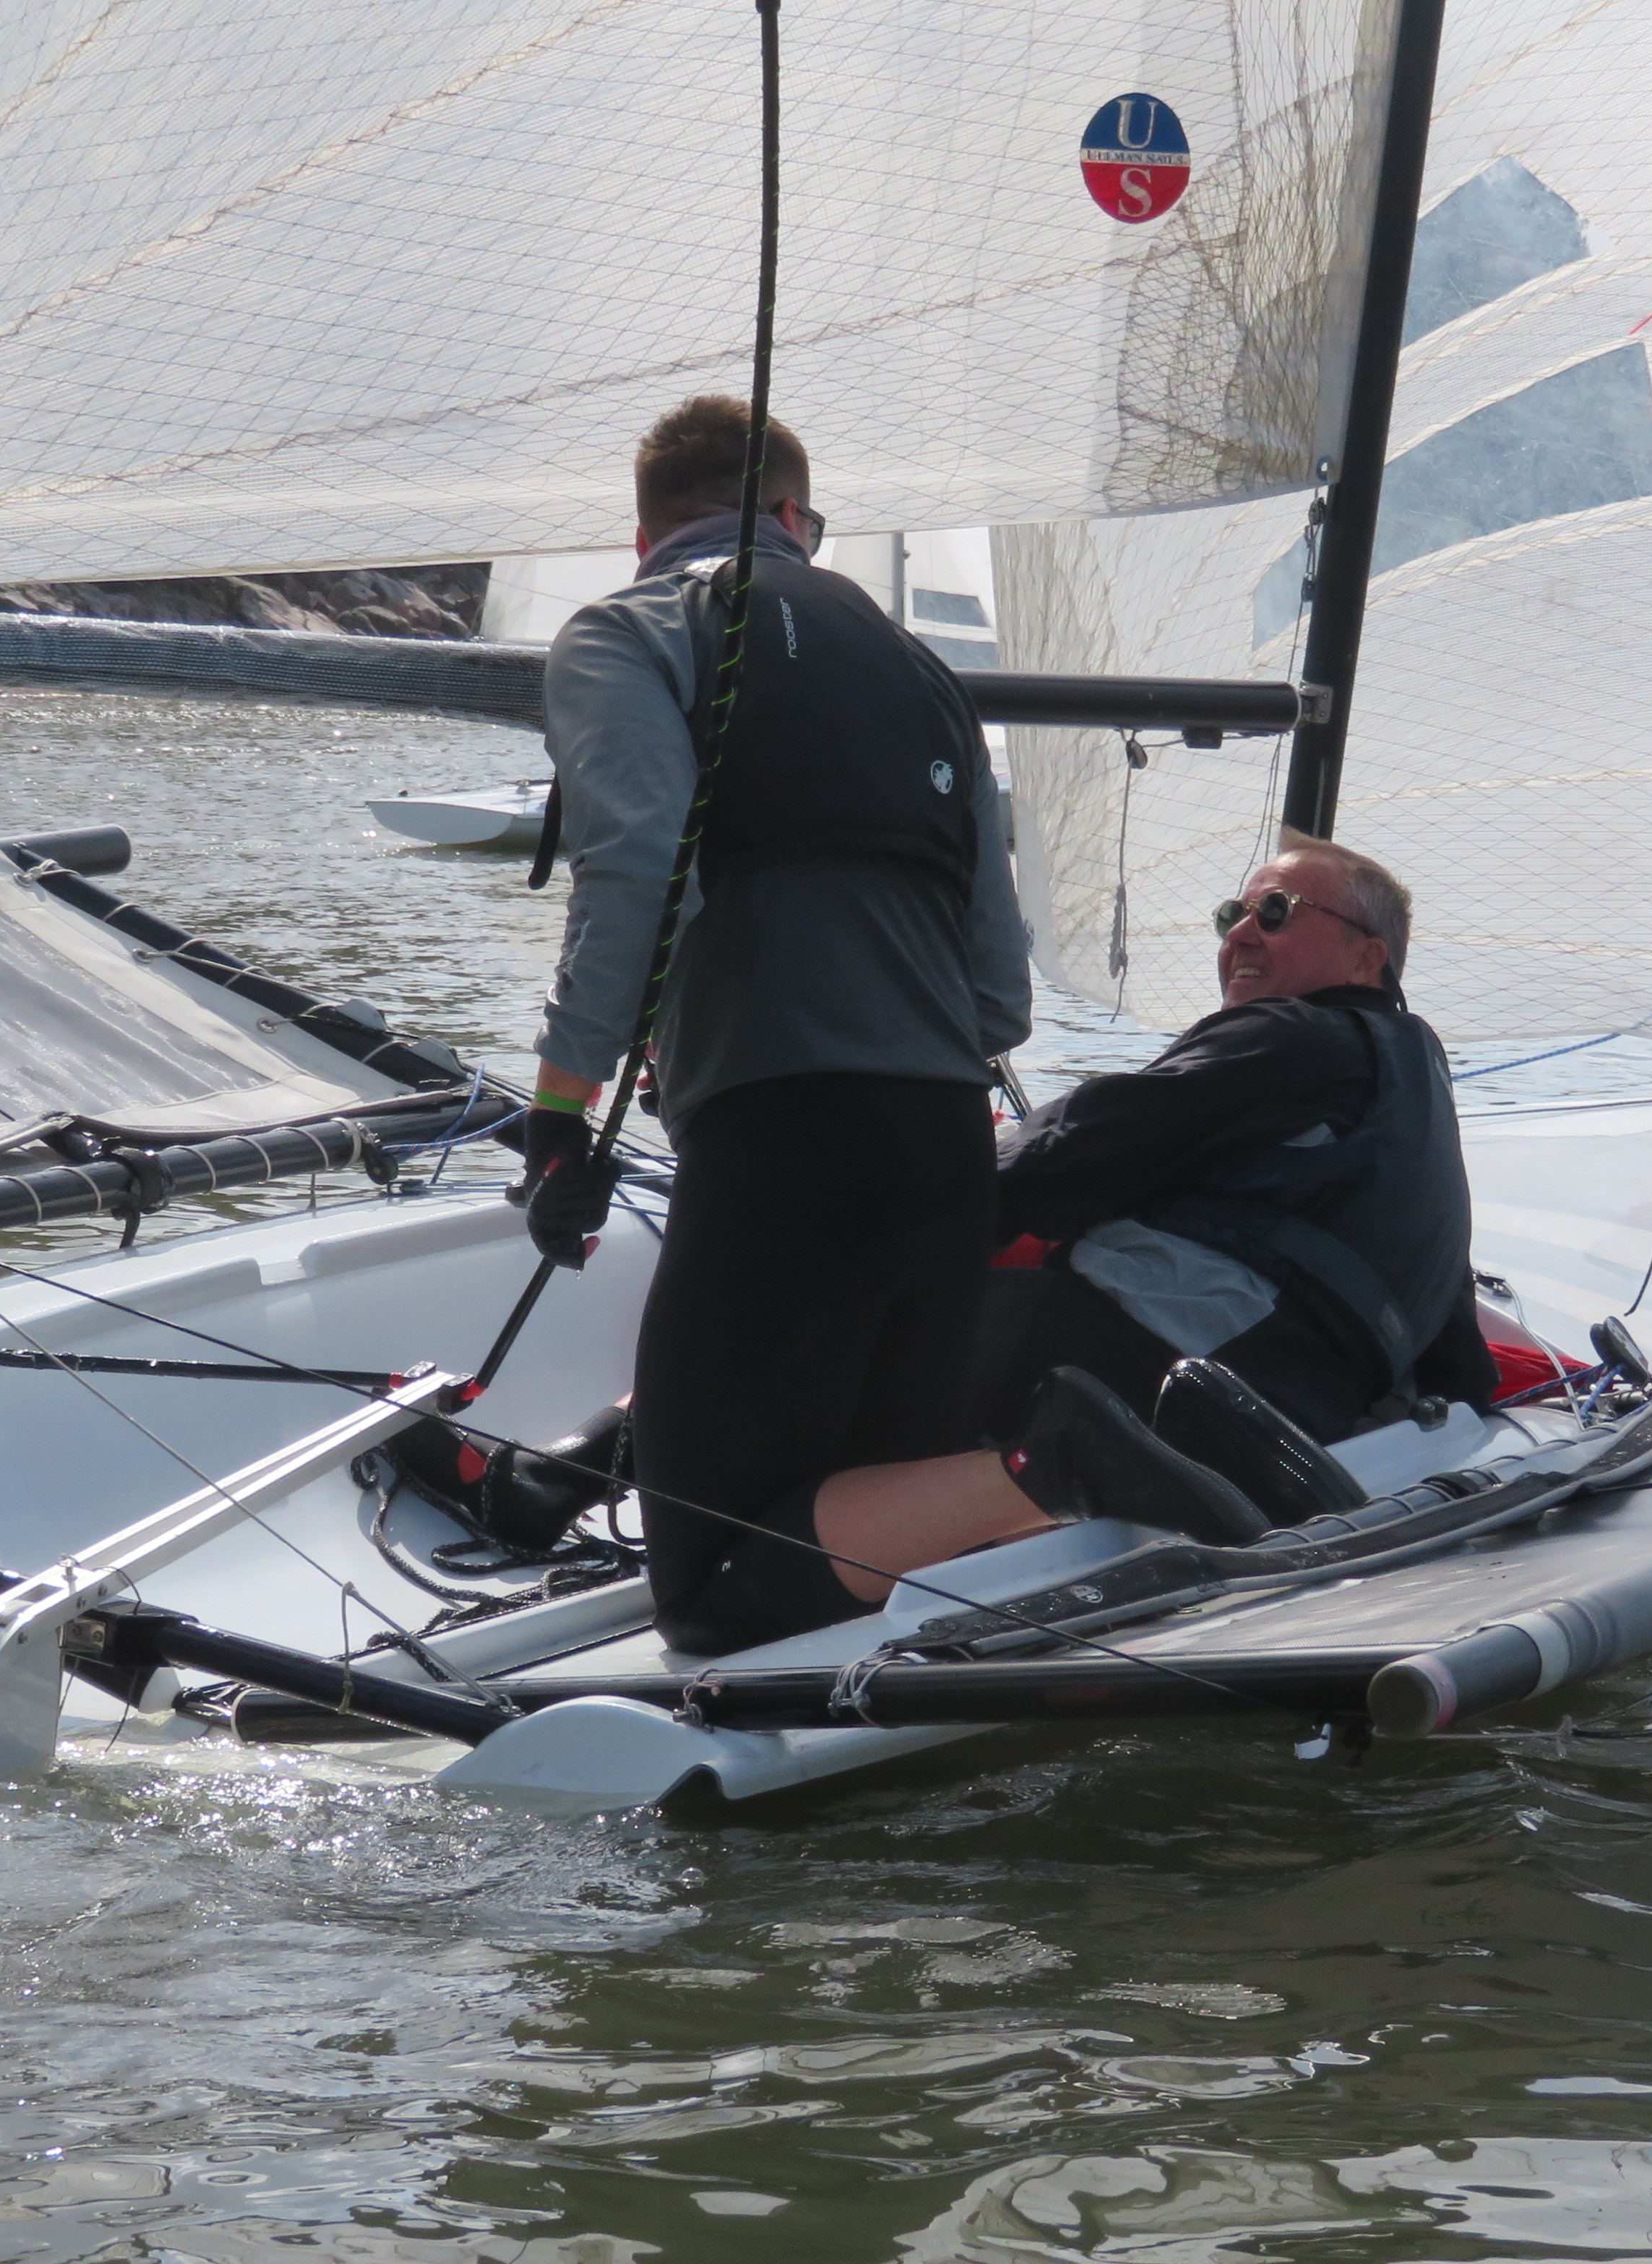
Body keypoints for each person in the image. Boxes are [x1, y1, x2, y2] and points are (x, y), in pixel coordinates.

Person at [512, 398, 1275, 1655]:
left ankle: (1048, 1468)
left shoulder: (630, 630)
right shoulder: (922, 675)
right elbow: (1000, 994)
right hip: (938, 1152)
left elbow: (643, 866)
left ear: (640, 528)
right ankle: (1025, 1485)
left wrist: (558, 1118)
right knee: (863, 1515)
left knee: (702, 1577)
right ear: (799, 523)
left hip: (779, 1141)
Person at [974, 838, 1497, 1517]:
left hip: (1155, 1372)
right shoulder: (1413, 1087)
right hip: (1300, 1412)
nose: (1243, 933)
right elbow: (1454, 1329)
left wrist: (917, 1209)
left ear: (1368, 957)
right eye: (1233, 915)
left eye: (1277, 911)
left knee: (894, 1326)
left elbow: (1079, 1142)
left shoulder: (1296, 1035)